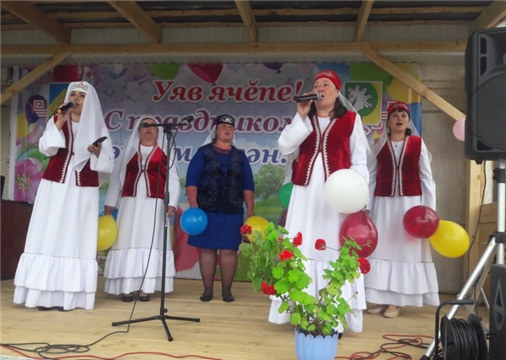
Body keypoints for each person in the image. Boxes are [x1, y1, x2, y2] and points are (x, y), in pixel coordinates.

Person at [271, 70, 370, 333]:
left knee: (332, 246)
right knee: (301, 241)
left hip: (336, 194)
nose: (320, 88)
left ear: (337, 92)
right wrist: (301, 115)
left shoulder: (351, 119)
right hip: (305, 193)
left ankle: (332, 315)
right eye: (316, 85)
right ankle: (300, 312)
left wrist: (359, 195)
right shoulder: (304, 119)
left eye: (326, 84)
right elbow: (285, 146)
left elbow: (359, 159)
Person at [13, 81, 114, 311]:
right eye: (74, 94)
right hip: (56, 186)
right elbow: (46, 148)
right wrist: (59, 123)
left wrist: (97, 153)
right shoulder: (57, 120)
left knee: (75, 234)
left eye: (82, 95)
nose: (77, 98)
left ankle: (69, 298)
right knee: (50, 231)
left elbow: (108, 164)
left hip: (82, 189)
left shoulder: (98, 128)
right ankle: (43, 295)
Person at [365, 101, 439, 318]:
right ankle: (381, 297)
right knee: (384, 247)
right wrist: (367, 206)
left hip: (411, 206)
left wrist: (428, 210)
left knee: (405, 248)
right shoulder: (378, 144)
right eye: (395, 115)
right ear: (388, 121)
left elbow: (427, 177)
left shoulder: (417, 143)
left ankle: (397, 301)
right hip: (384, 203)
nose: (399, 118)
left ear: (408, 122)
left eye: (403, 115)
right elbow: (370, 175)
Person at [103, 115, 179, 302]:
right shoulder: (130, 151)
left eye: (152, 126)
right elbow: (116, 177)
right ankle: (127, 288)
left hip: (154, 205)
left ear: (158, 130)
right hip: (130, 204)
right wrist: (111, 201)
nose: (148, 129)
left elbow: (173, 178)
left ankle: (146, 288)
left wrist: (172, 203)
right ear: (138, 130)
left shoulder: (165, 152)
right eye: (144, 126)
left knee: (150, 241)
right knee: (126, 240)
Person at [186, 114, 255, 303]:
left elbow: (248, 184)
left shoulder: (240, 156)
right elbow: (192, 181)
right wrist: (194, 204)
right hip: (206, 210)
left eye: (230, 127)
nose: (227, 129)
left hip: (232, 211)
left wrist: (250, 209)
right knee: (207, 249)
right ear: (215, 130)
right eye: (223, 126)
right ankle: (207, 290)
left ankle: (227, 291)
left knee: (229, 250)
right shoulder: (203, 153)